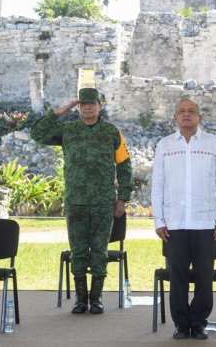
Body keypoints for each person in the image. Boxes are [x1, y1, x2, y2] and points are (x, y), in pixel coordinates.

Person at [31, 88, 132, 314]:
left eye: (92, 103)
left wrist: (123, 198)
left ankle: (95, 299)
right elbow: (37, 133)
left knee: (99, 251)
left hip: (103, 202)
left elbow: (124, 166)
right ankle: (80, 299)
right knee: (78, 251)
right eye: (83, 104)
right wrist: (59, 112)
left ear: (100, 106)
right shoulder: (68, 131)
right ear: (78, 107)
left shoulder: (111, 132)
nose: (88, 107)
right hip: (76, 201)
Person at [152, 98, 216, 340]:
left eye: (191, 112)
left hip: (205, 223)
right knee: (177, 277)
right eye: (182, 112)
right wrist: (159, 221)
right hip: (174, 224)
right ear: (175, 117)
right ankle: (181, 324)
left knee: (205, 277)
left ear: (200, 117)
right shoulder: (164, 145)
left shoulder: (214, 144)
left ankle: (198, 323)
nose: (186, 115)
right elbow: (157, 184)